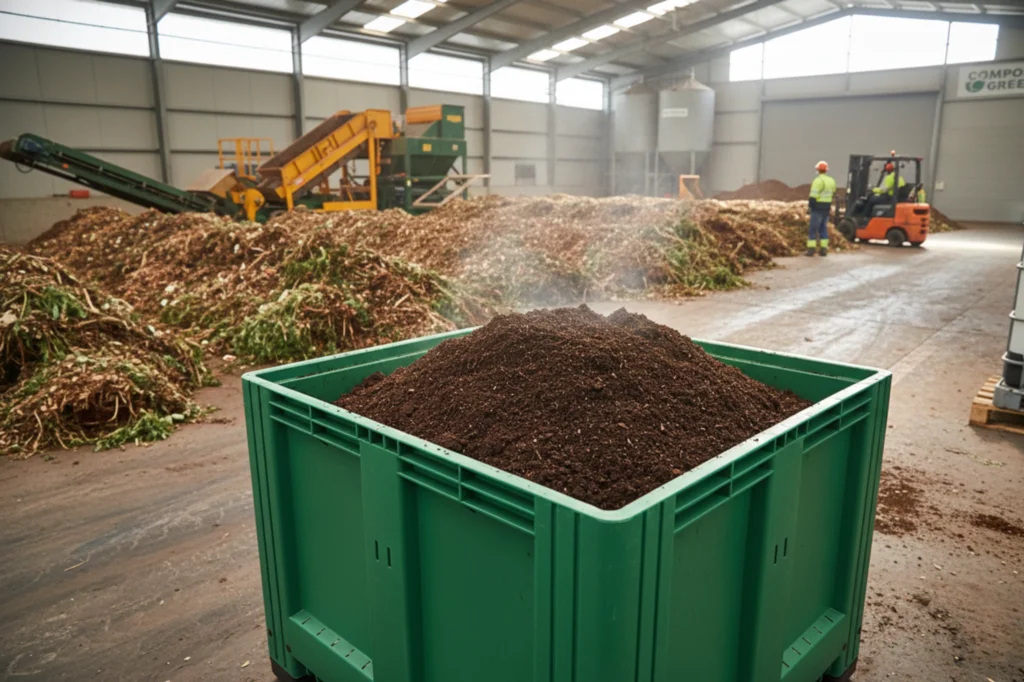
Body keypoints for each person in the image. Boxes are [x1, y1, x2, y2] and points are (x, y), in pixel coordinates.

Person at [807, 160, 836, 257]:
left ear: (818, 170)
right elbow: (833, 193)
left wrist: (810, 207)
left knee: (813, 229)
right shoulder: (831, 180)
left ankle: (811, 250)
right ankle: (824, 249)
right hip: (826, 208)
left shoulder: (818, 181)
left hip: (817, 208)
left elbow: (813, 197)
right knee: (823, 228)